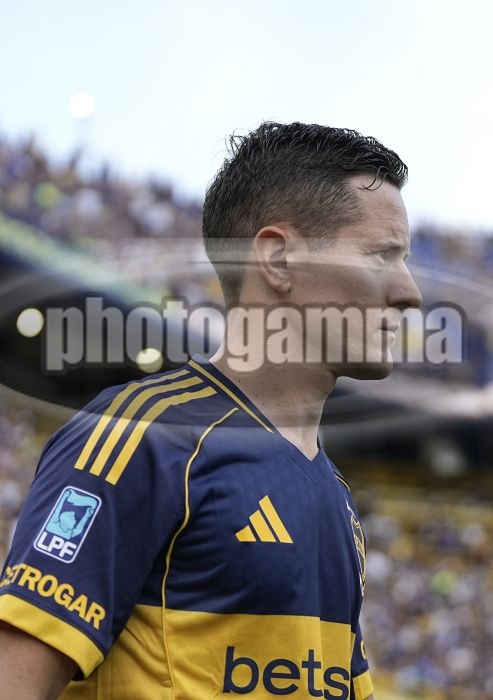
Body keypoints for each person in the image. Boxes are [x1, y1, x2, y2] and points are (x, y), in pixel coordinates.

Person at [0, 121, 421, 699]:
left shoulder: (336, 495)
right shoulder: (146, 434)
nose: (410, 292)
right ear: (278, 259)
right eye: (380, 256)